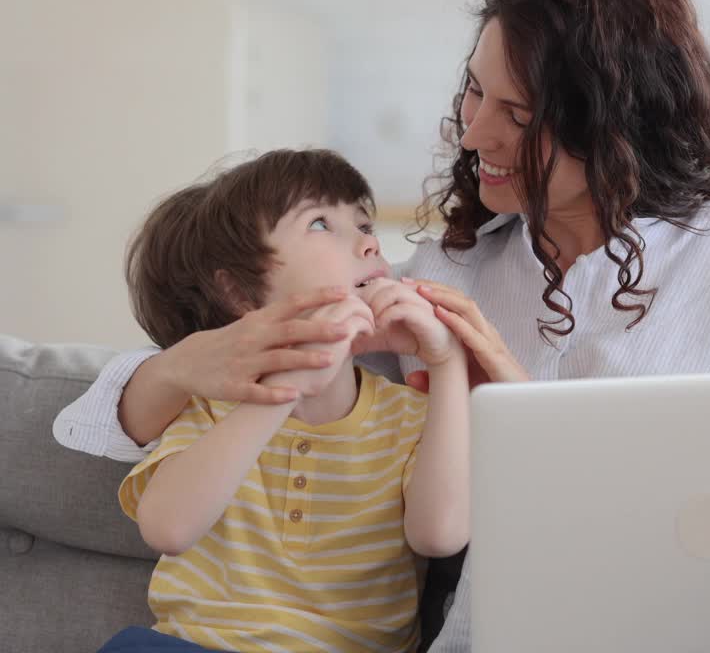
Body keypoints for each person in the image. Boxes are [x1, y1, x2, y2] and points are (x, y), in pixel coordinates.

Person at [56, 0, 710, 652]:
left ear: (616, 126)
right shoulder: (446, 271)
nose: (471, 135)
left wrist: (512, 394)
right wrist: (181, 369)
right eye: (474, 93)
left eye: (518, 115)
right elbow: (263, 355)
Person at [94, 149, 470, 652]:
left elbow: (439, 536)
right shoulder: (212, 405)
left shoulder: (408, 416)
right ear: (240, 294)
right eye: (320, 223)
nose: (367, 242)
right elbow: (167, 528)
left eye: (363, 223)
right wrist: (285, 388)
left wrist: (445, 363)